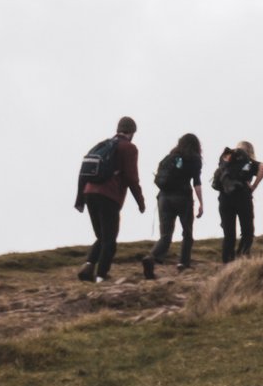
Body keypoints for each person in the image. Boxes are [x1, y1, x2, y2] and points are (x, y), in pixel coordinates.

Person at [74, 115, 144, 281]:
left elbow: (84, 172)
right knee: (110, 240)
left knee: (102, 237)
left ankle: (88, 266)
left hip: (89, 192)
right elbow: (131, 178)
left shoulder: (101, 145)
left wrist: (80, 198)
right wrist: (140, 201)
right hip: (109, 195)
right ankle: (101, 276)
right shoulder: (129, 148)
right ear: (132, 132)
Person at [146, 129, 204, 272]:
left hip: (164, 198)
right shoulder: (195, 159)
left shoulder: (170, 157)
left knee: (165, 235)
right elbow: (196, 182)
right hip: (183, 198)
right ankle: (183, 264)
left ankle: (151, 257)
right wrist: (201, 203)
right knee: (187, 232)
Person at [212, 137, 263, 261]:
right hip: (242, 198)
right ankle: (242, 257)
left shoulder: (226, 161)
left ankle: (227, 263)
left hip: (224, 199)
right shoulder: (249, 162)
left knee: (229, 234)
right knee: (247, 231)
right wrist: (254, 186)